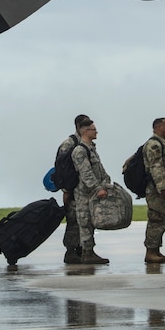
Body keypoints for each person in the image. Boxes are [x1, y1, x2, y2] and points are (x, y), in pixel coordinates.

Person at [71, 117, 112, 264]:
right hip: (84, 194)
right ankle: (87, 253)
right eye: (94, 129)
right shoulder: (80, 151)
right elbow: (86, 173)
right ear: (85, 131)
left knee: (90, 223)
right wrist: (97, 188)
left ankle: (89, 252)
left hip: (93, 194)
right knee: (85, 223)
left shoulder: (91, 149)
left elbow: (98, 169)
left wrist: (106, 182)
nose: (96, 132)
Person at [141, 117, 165, 263]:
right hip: (157, 190)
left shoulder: (163, 144)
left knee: (162, 219)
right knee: (156, 219)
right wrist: (162, 187)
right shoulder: (154, 144)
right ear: (158, 127)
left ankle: (156, 250)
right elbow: (156, 167)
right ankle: (150, 252)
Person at [56, 113, 91, 264]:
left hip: (83, 190)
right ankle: (70, 251)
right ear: (78, 126)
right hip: (72, 189)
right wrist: (66, 191)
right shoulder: (69, 144)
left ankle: (82, 249)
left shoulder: (85, 143)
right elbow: (62, 169)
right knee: (73, 221)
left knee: (85, 220)